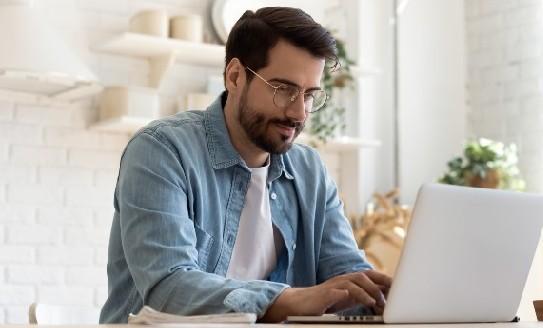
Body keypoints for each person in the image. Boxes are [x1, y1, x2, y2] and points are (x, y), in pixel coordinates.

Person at [99, 6, 391, 324]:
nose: (299, 113)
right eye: (284, 90)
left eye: (309, 95)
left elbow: (348, 278)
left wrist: (383, 297)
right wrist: (288, 299)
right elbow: (167, 289)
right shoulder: (162, 151)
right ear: (235, 76)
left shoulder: (311, 173)